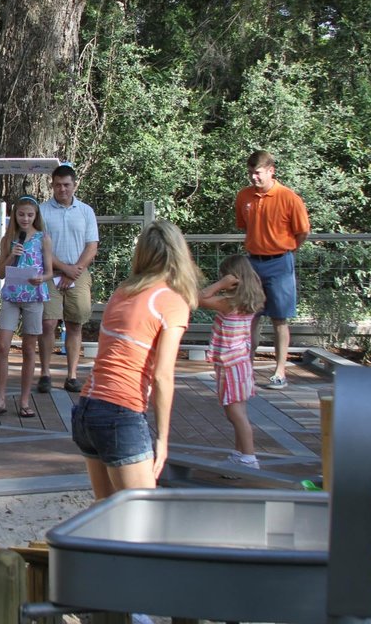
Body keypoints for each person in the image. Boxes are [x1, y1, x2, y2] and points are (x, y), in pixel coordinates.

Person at [70, 220, 200, 498]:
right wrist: (163, 440)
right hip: (120, 414)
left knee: (106, 512)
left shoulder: (123, 292)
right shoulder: (171, 301)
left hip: (87, 410)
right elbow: (163, 376)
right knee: (142, 518)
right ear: (179, 254)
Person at [233, 150, 310, 390]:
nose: (253, 178)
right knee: (250, 316)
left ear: (270, 171)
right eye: (250, 173)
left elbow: (302, 231)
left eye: (257, 173)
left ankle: (279, 372)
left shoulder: (289, 197)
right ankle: (247, 368)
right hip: (252, 263)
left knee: (279, 318)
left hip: (280, 263)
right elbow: (243, 225)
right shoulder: (244, 196)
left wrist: (288, 252)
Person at [0, 196, 53, 418]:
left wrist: (41, 278)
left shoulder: (43, 238)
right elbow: (1, 272)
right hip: (12, 296)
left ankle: (24, 401)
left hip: (33, 296)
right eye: (21, 214)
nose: (25, 218)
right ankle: (0, 399)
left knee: (28, 348)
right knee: (3, 346)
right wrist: (11, 257)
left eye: (30, 215)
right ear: (15, 215)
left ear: (36, 216)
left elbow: (50, 271)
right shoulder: (9, 239)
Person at [198, 255, 266, 470]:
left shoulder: (228, 303)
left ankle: (249, 457)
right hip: (240, 361)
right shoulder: (253, 300)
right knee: (239, 412)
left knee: (235, 414)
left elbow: (197, 298)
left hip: (230, 363)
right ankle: (240, 453)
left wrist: (220, 285)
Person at [38, 164, 99, 394]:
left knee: (75, 323)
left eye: (66, 185)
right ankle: (45, 373)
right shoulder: (42, 211)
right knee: (48, 323)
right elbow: (40, 246)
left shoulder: (85, 211)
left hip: (79, 274)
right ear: (52, 185)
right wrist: (63, 269)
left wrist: (75, 269)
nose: (62, 189)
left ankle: (72, 375)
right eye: (58, 185)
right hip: (49, 273)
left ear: (74, 185)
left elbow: (92, 246)